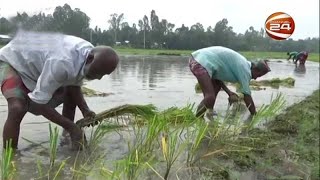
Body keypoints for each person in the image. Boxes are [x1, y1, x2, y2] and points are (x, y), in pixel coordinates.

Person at [0, 30, 119, 150]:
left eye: (103, 75)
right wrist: (72, 127)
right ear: (90, 59)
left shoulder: (88, 54)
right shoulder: (61, 62)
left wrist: (85, 110)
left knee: (69, 93)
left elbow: (73, 85)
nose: (99, 78)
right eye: (98, 72)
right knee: (17, 107)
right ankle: (11, 159)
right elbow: (39, 104)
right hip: (11, 62)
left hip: (36, 69)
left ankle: (66, 137)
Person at [189, 46, 270, 121]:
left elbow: (217, 79)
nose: (255, 78)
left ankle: (210, 112)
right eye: (258, 75)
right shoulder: (245, 70)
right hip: (200, 62)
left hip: (199, 59)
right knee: (210, 97)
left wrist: (229, 93)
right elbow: (247, 95)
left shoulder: (243, 65)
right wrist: (254, 115)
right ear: (255, 69)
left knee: (216, 87)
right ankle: (197, 120)